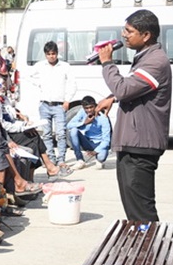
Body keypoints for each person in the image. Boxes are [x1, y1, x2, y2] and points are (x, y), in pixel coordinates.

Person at [97, 9, 173, 223]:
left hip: (142, 144)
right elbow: (132, 89)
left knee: (142, 211)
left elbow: (124, 89)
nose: (124, 35)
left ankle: (153, 253)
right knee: (134, 209)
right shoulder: (145, 58)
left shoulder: (156, 61)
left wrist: (107, 63)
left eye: (129, 31)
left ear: (146, 35)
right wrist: (112, 97)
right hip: (133, 142)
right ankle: (147, 250)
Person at [25, 41, 76, 169]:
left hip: (59, 105)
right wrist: (39, 84)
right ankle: (51, 159)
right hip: (45, 104)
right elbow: (28, 75)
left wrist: (67, 100)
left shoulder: (65, 66)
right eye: (49, 54)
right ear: (45, 55)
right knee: (47, 134)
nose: (51, 56)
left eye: (53, 54)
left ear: (57, 54)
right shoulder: (40, 66)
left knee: (61, 134)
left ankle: (61, 159)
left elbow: (72, 84)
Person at [66, 95, 112, 170]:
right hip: (88, 141)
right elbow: (69, 125)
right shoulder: (82, 112)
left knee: (101, 158)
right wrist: (84, 123)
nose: (89, 110)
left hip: (99, 143)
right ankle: (80, 160)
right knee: (73, 131)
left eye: (91, 107)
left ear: (95, 106)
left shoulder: (103, 118)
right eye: (86, 108)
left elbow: (106, 140)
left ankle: (99, 159)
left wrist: (95, 151)